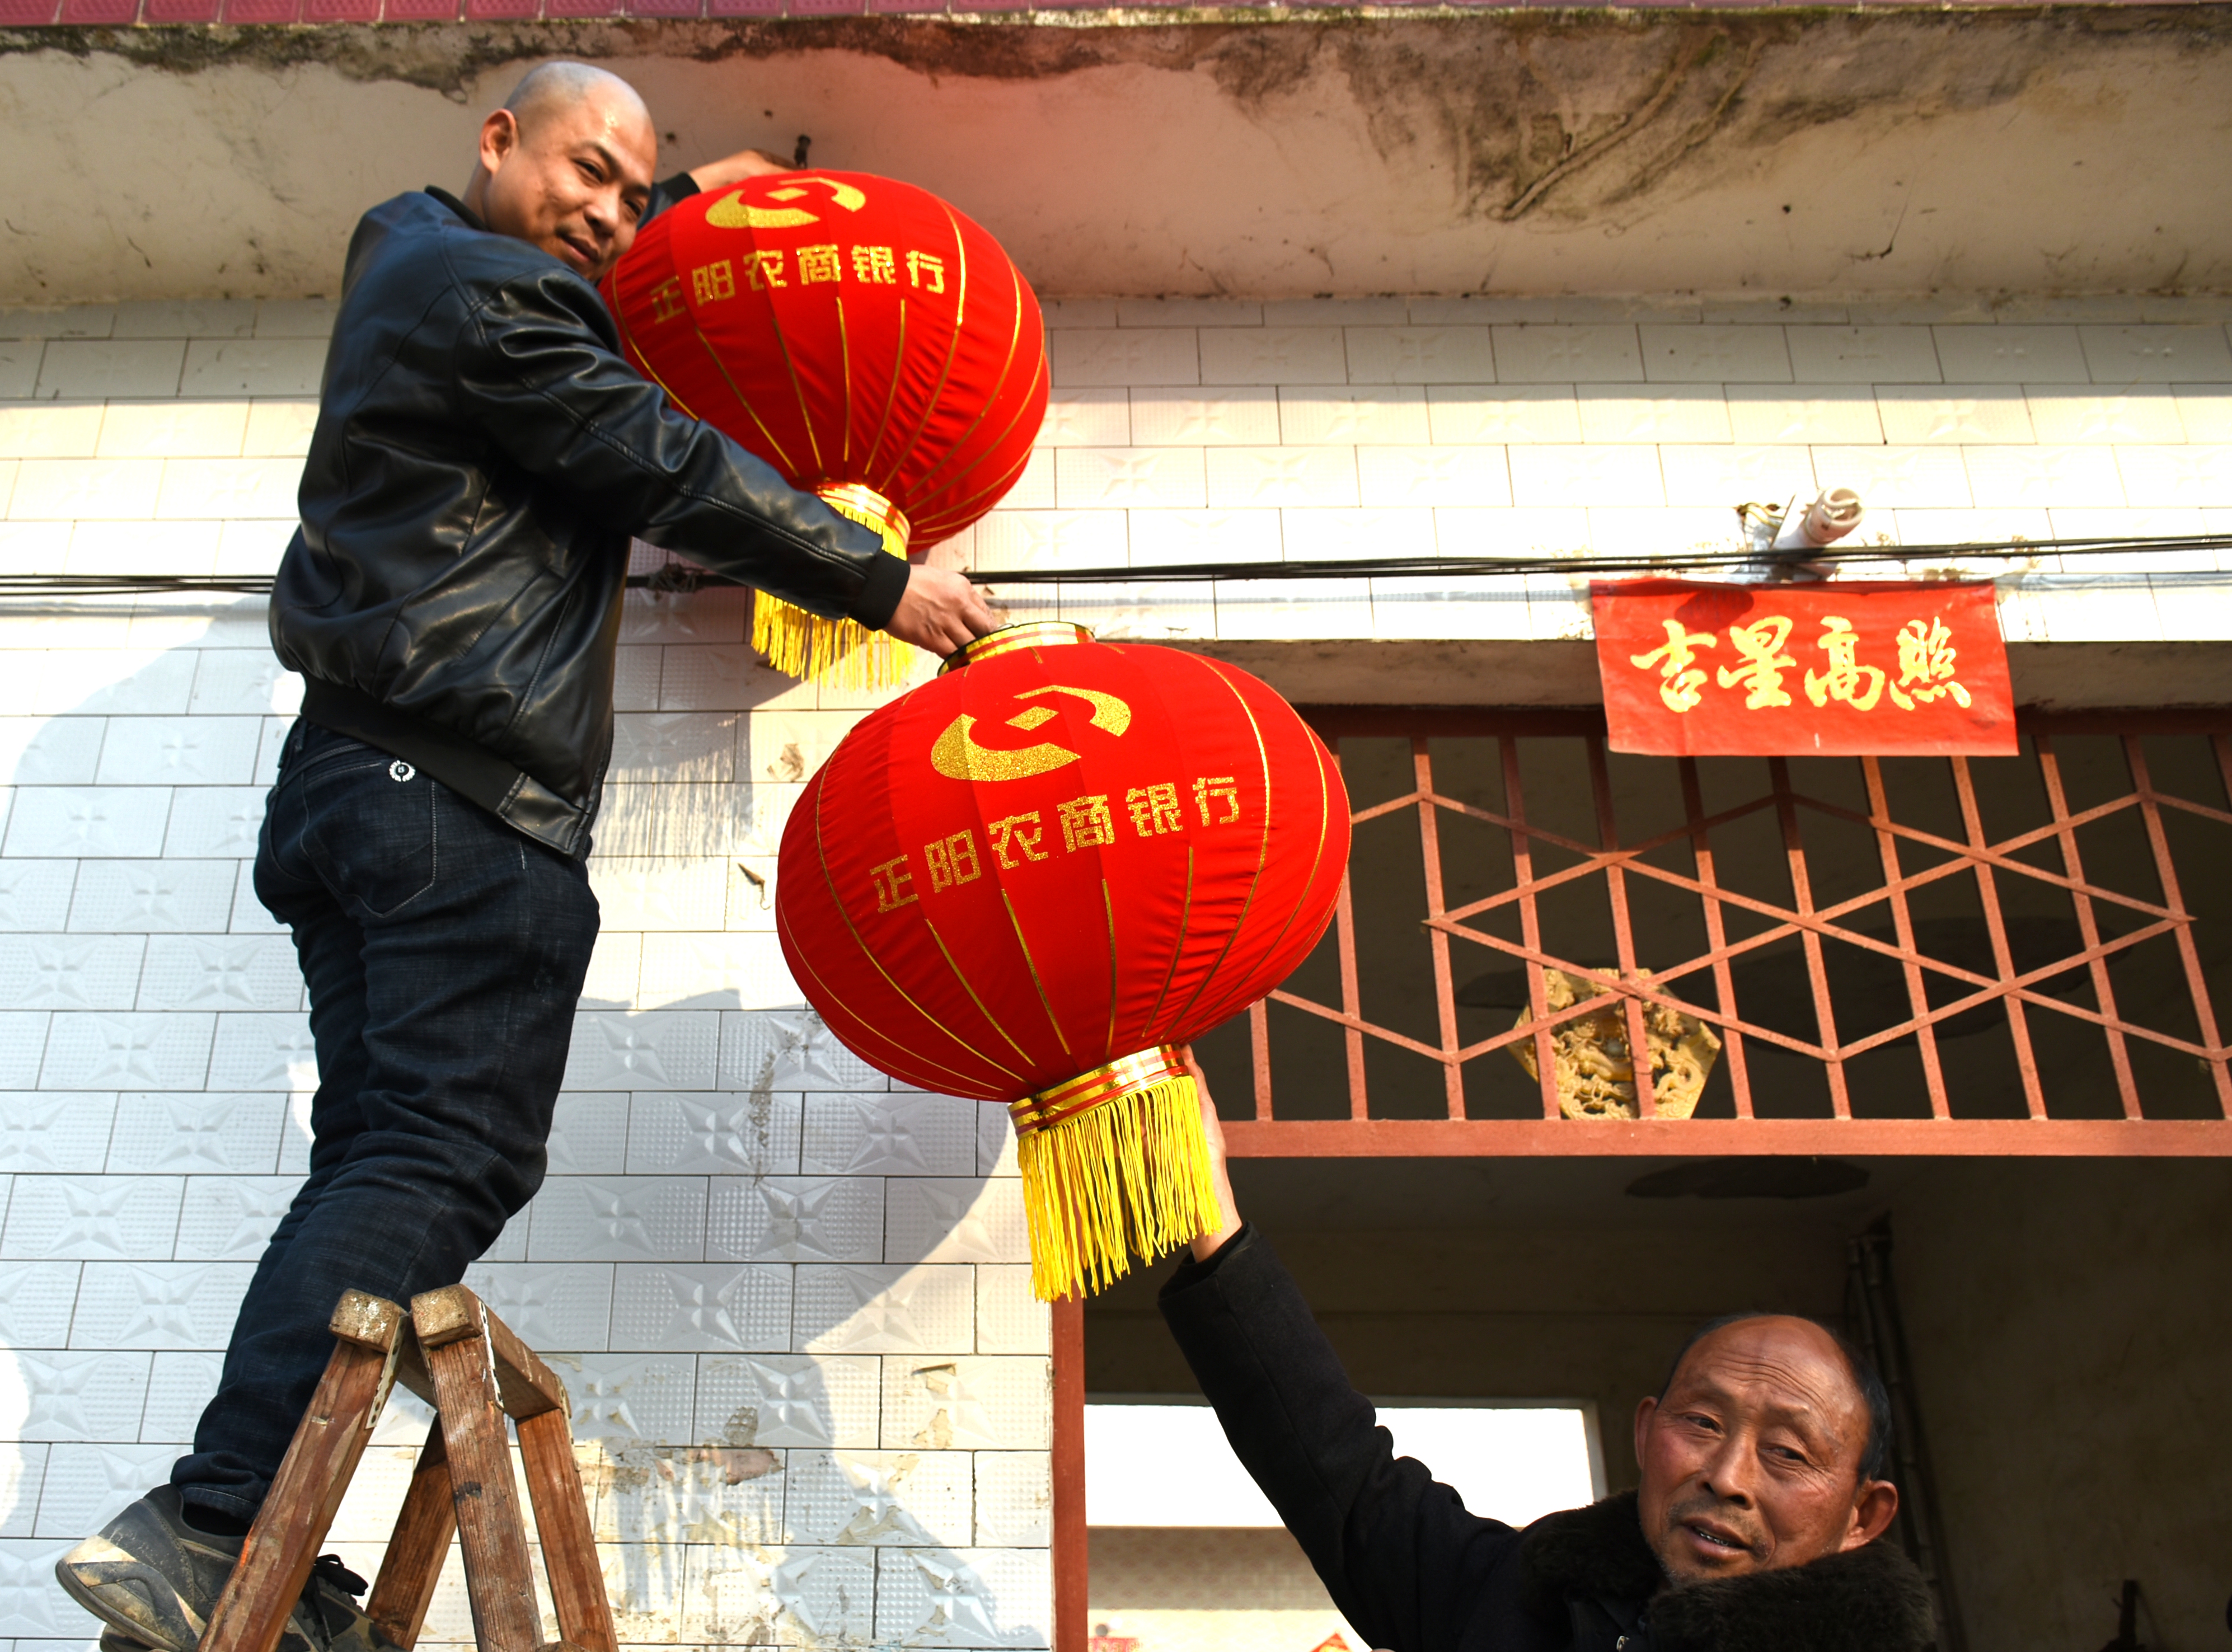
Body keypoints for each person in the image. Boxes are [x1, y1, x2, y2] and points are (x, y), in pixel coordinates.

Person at [57, 60, 999, 1652]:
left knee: (376, 1164)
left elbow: (590, 343)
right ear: (496, 140)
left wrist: (695, 208)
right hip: (457, 806)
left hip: (361, 790)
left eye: (635, 192)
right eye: (586, 171)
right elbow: (664, 458)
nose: (606, 212)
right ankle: (214, 1520)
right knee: (448, 1157)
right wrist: (876, 577)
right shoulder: (495, 300)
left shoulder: (422, 273)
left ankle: (238, 1523)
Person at [1158, 1052, 1936, 1652]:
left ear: (1864, 1515)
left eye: (1789, 1453)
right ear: (1644, 1433)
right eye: (1701, 1423)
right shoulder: (1519, 1598)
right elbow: (1344, 1482)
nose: (1727, 1477)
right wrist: (1213, 1224)